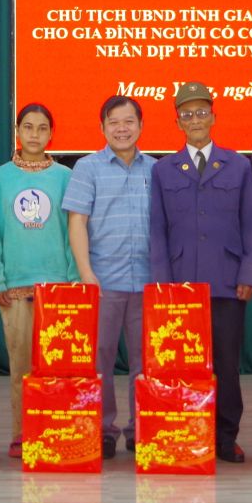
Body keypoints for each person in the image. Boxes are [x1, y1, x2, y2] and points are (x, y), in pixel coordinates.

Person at [149, 82, 252, 463]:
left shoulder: (239, 165)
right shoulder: (163, 169)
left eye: (201, 112)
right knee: (183, 364)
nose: (195, 120)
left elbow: (250, 224)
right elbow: (157, 230)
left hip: (227, 281)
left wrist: (248, 273)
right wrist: (162, 284)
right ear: (177, 122)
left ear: (213, 117)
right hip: (180, 283)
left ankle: (226, 437)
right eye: (187, 114)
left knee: (226, 364)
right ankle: (188, 430)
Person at [64, 94, 155, 460]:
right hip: (102, 281)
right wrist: (86, 273)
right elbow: (77, 222)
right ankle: (103, 429)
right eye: (114, 122)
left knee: (145, 361)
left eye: (128, 121)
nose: (122, 128)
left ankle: (141, 427)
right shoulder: (87, 168)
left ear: (141, 126)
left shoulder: (157, 169)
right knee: (98, 360)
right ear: (102, 128)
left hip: (146, 281)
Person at [0, 103, 75, 458]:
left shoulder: (65, 177)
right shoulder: (0, 177)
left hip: (58, 285)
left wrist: (73, 281)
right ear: (17, 132)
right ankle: (22, 432)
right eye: (28, 127)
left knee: (58, 364)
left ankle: (55, 428)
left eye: (42, 128)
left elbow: (72, 232)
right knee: (20, 365)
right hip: (15, 286)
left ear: (51, 134)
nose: (35, 134)